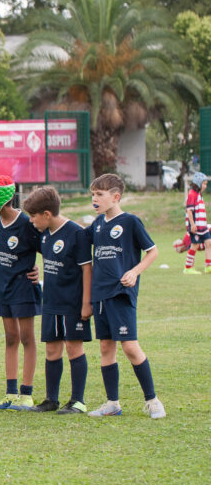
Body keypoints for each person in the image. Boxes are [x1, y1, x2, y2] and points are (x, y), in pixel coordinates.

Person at [86, 174, 165, 419]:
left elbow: (152, 251)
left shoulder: (130, 222)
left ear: (115, 196)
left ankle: (153, 401)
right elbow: (76, 240)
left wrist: (134, 271)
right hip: (100, 294)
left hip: (121, 293)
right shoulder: (97, 225)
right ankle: (112, 403)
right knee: (105, 347)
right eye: (93, 195)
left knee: (130, 346)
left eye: (99, 194)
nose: (94, 199)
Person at [22, 186, 91, 414]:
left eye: (33, 217)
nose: (31, 221)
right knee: (52, 350)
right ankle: (51, 399)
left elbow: (86, 270)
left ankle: (77, 401)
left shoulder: (76, 233)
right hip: (50, 301)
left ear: (47, 214)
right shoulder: (45, 235)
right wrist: (37, 271)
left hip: (73, 303)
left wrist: (86, 302)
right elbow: (51, 260)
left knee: (73, 348)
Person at [0, 175, 42, 411]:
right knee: (10, 338)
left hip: (24, 289)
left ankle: (26, 394)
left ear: (0, 201)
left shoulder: (27, 224)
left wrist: (40, 274)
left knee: (27, 338)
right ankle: (10, 393)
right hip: (3, 289)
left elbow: (49, 250)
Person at [182, 172, 211, 274]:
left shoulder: (199, 195)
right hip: (196, 227)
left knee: (209, 243)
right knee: (195, 245)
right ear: (198, 183)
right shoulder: (192, 194)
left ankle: (208, 266)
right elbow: (189, 211)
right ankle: (188, 267)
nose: (205, 186)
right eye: (204, 183)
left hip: (203, 226)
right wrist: (192, 225)